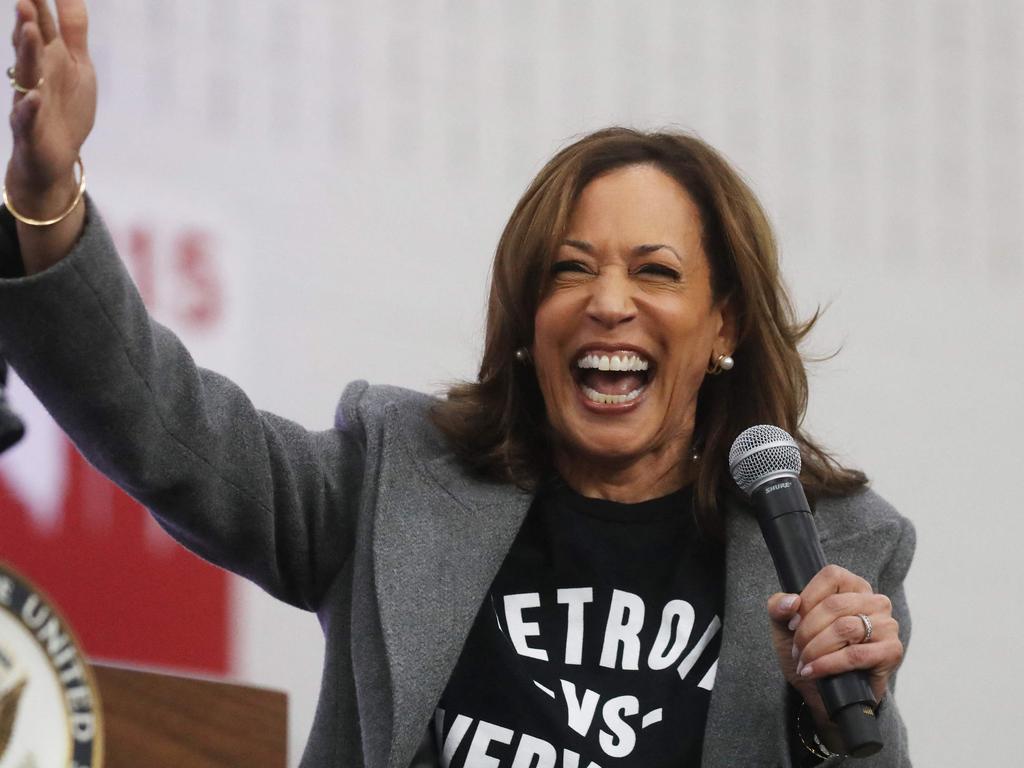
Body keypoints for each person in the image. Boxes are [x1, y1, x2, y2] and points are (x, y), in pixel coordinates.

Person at [0, 2, 913, 766]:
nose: (606, 302)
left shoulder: (833, 559)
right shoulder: (395, 483)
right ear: (523, 321)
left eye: (656, 272)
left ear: (726, 326)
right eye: (567, 269)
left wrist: (833, 723)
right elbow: (167, 432)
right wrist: (48, 201)